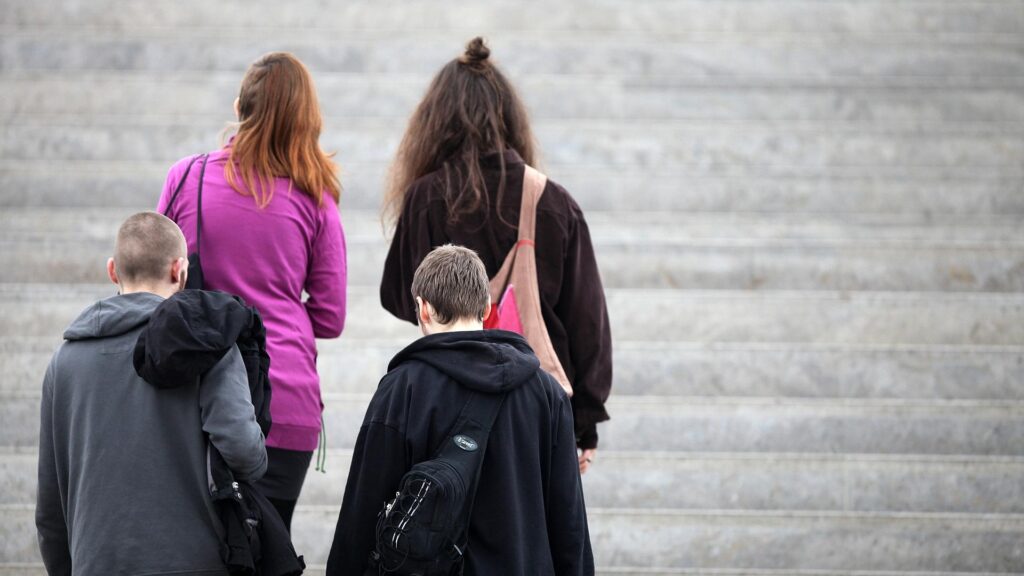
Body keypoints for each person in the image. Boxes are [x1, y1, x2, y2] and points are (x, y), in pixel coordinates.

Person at [379, 37, 611, 473]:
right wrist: (586, 422)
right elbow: (588, 320)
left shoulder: (426, 197)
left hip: (445, 400)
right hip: (537, 406)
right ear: (509, 120)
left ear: (435, 123)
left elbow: (395, 294)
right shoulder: (552, 202)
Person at [158, 51, 347, 529]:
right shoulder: (315, 198)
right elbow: (330, 316)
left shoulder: (187, 178)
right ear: (307, 121)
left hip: (194, 397)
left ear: (240, 105)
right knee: (269, 551)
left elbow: (157, 281)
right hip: (284, 403)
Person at [327, 245, 594, 575]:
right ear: (485, 308)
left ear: (423, 309)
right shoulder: (547, 394)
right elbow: (569, 522)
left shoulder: (402, 389)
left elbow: (363, 508)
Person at [36, 211, 268, 576]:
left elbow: (50, 504)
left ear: (112, 270)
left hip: (96, 562)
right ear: (181, 271)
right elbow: (243, 452)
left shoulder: (63, 363)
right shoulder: (209, 348)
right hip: (196, 561)